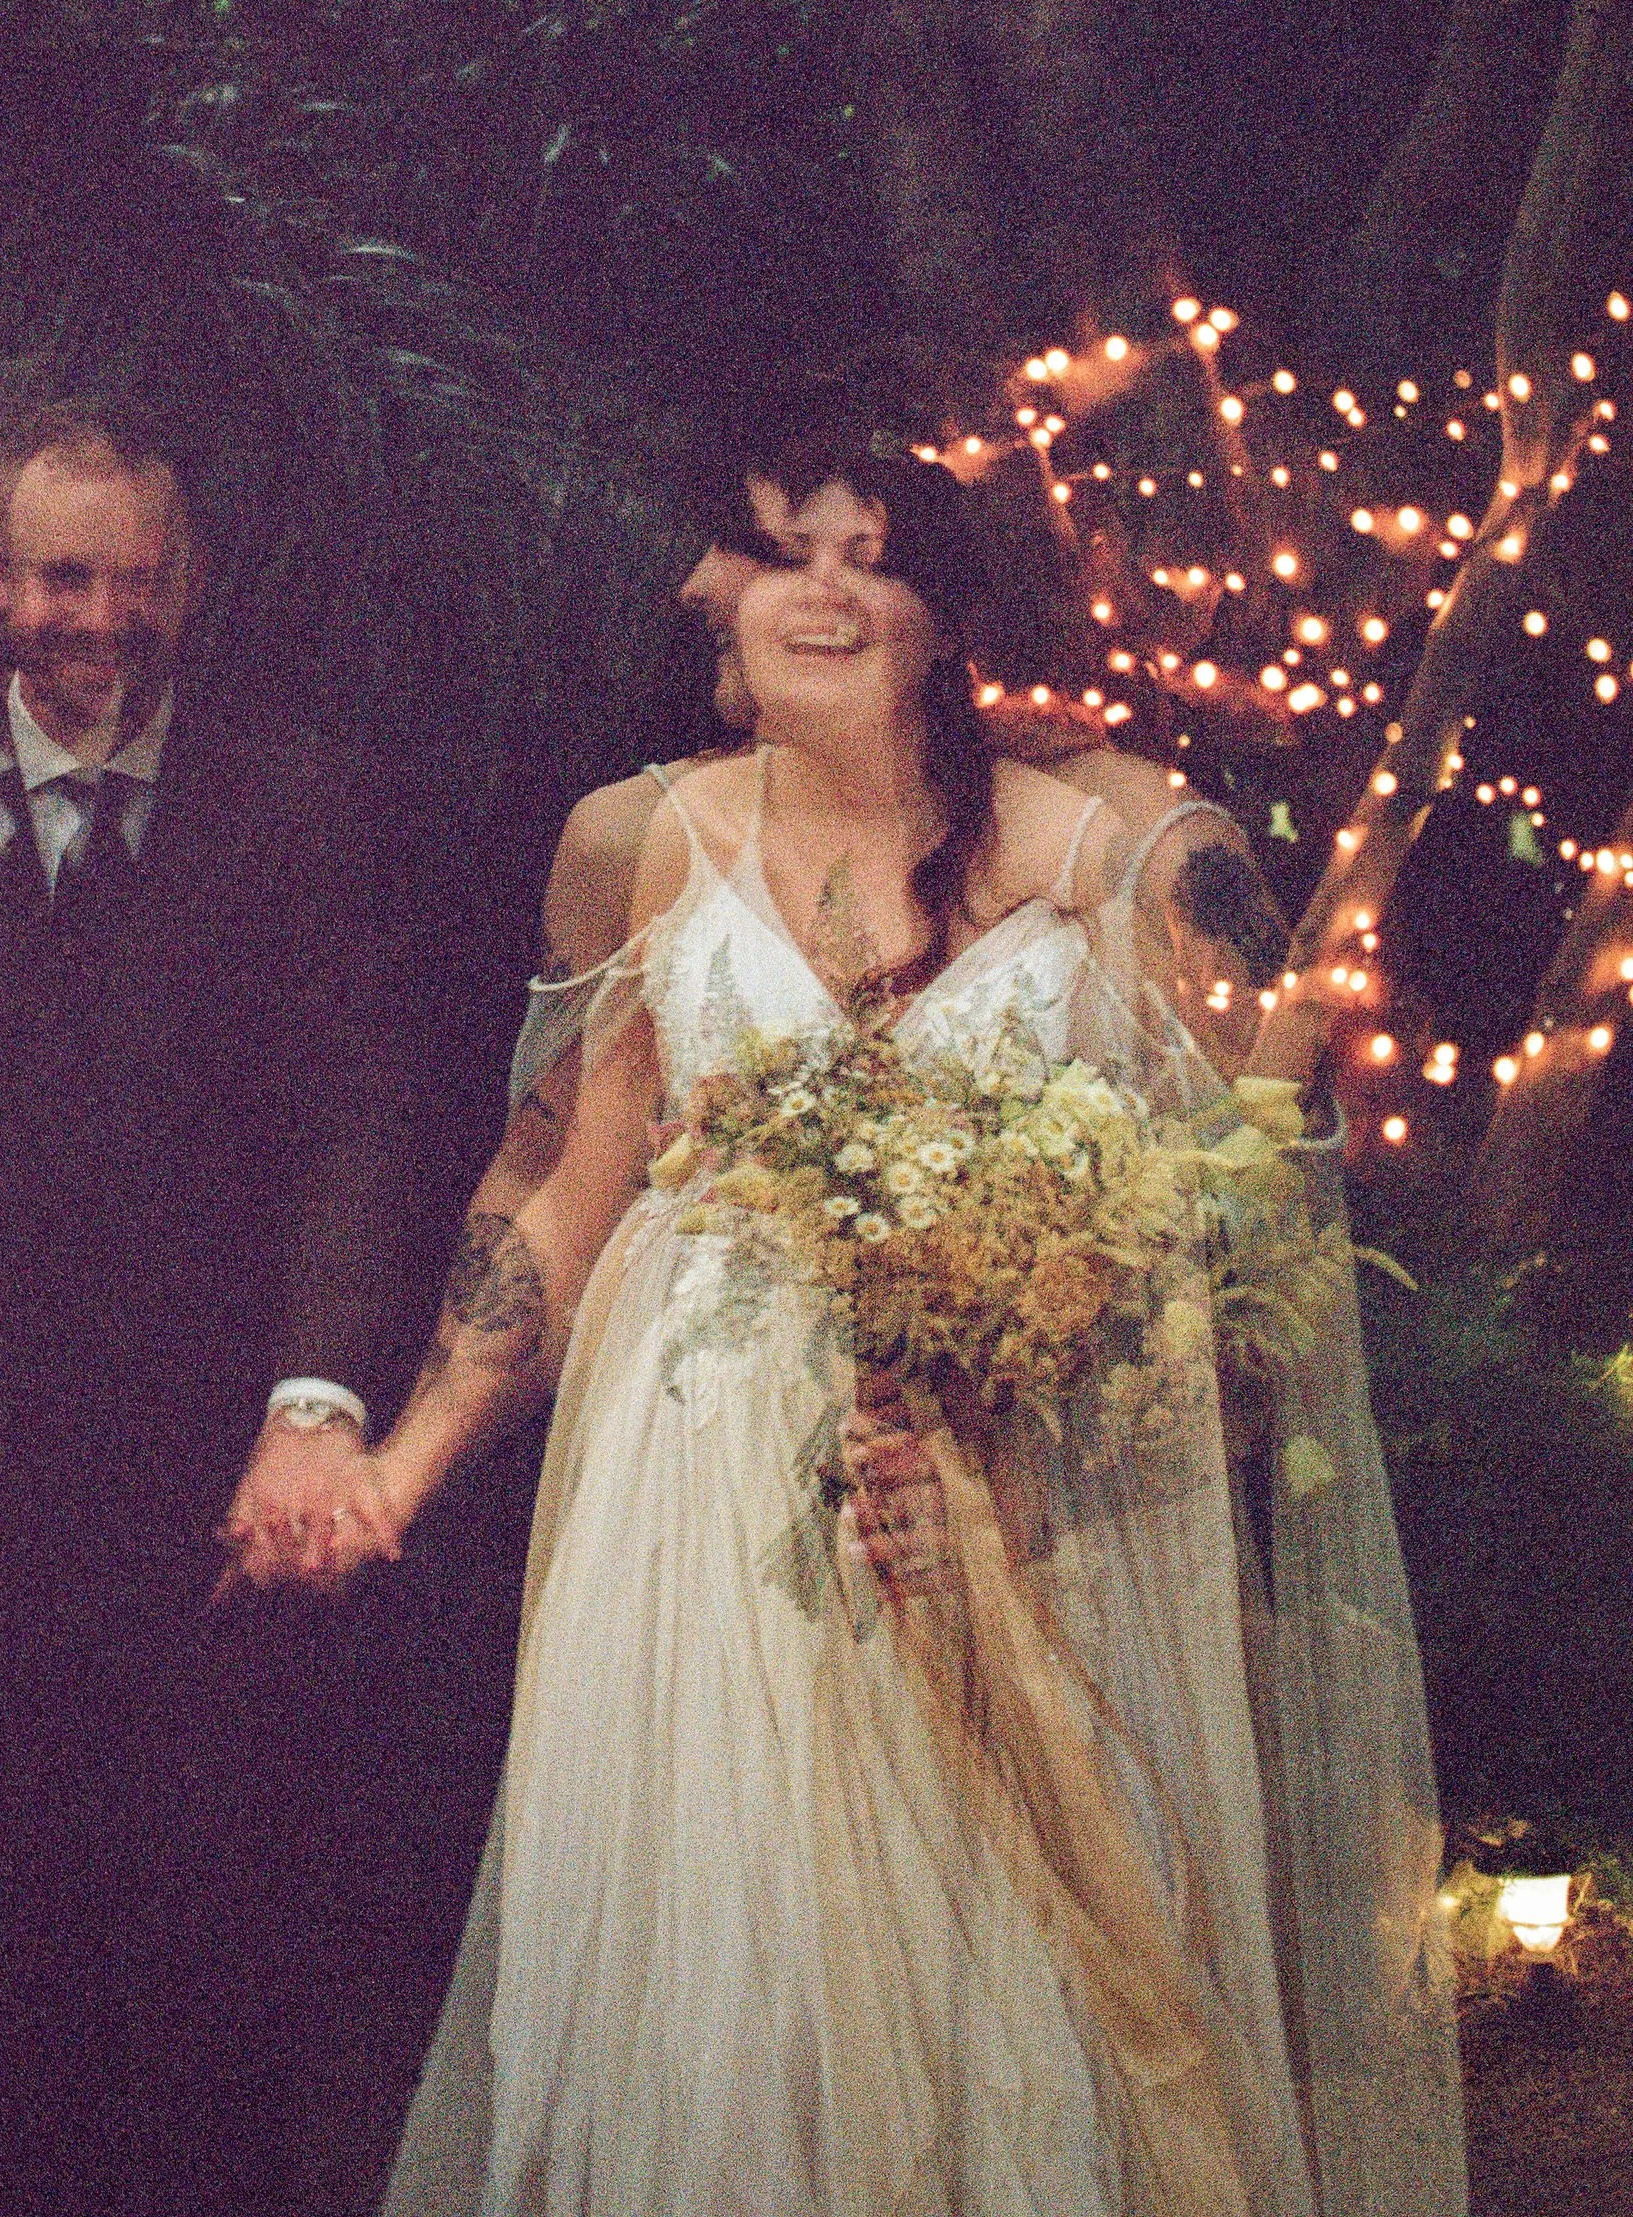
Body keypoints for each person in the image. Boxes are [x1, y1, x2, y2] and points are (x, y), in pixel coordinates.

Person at [314, 420, 1466, 2217]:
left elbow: (1251, 1215)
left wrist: (1041, 1383)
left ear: (953, 604)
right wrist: (400, 1465)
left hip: (1023, 1531)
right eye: (787, 549)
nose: (825, 590)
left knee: (1008, 2014)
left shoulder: (1116, 852)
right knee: (716, 2010)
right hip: (698, 1535)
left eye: (874, 551)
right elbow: (556, 1176)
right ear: (727, 588)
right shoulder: (640, 838)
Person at [0, 392, 409, 2217]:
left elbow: (359, 1118)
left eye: (140, 583)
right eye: (61, 580)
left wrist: (313, 1402)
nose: (102, 622)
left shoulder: (293, 801)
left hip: (235, 1502)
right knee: (17, 1988)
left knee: (236, 1992)